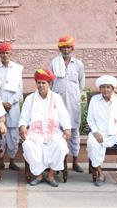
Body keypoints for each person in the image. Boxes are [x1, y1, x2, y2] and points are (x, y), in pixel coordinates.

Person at [19, 69, 72, 187]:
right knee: (28, 146)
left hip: (54, 134)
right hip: (35, 135)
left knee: (61, 146)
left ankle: (51, 175)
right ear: (36, 83)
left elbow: (64, 116)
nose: (41, 85)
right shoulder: (30, 99)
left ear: (49, 83)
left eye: (44, 82)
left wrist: (67, 128)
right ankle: (38, 175)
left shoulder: (57, 98)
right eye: (39, 82)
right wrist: (22, 126)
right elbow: (24, 117)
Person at [87, 75, 117, 189]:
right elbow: (90, 119)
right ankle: (100, 174)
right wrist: (95, 132)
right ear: (100, 89)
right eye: (103, 87)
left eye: (108, 87)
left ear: (113, 89)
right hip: (100, 133)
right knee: (92, 144)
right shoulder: (94, 100)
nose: (106, 90)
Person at [49, 35, 85, 173]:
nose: (66, 50)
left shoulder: (79, 64)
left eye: (68, 47)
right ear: (59, 49)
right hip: (57, 103)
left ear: (72, 48)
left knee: (74, 131)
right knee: (57, 131)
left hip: (73, 103)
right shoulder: (53, 63)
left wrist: (72, 94)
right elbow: (49, 82)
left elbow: (81, 84)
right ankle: (60, 163)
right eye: (63, 47)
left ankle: (75, 161)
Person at [0, 42, 23, 171]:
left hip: (13, 105)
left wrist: (10, 102)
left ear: (11, 54)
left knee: (13, 135)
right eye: (2, 53)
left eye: (7, 53)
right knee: (0, 134)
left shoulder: (17, 68)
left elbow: (20, 89)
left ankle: (12, 161)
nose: (5, 55)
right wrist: (0, 103)